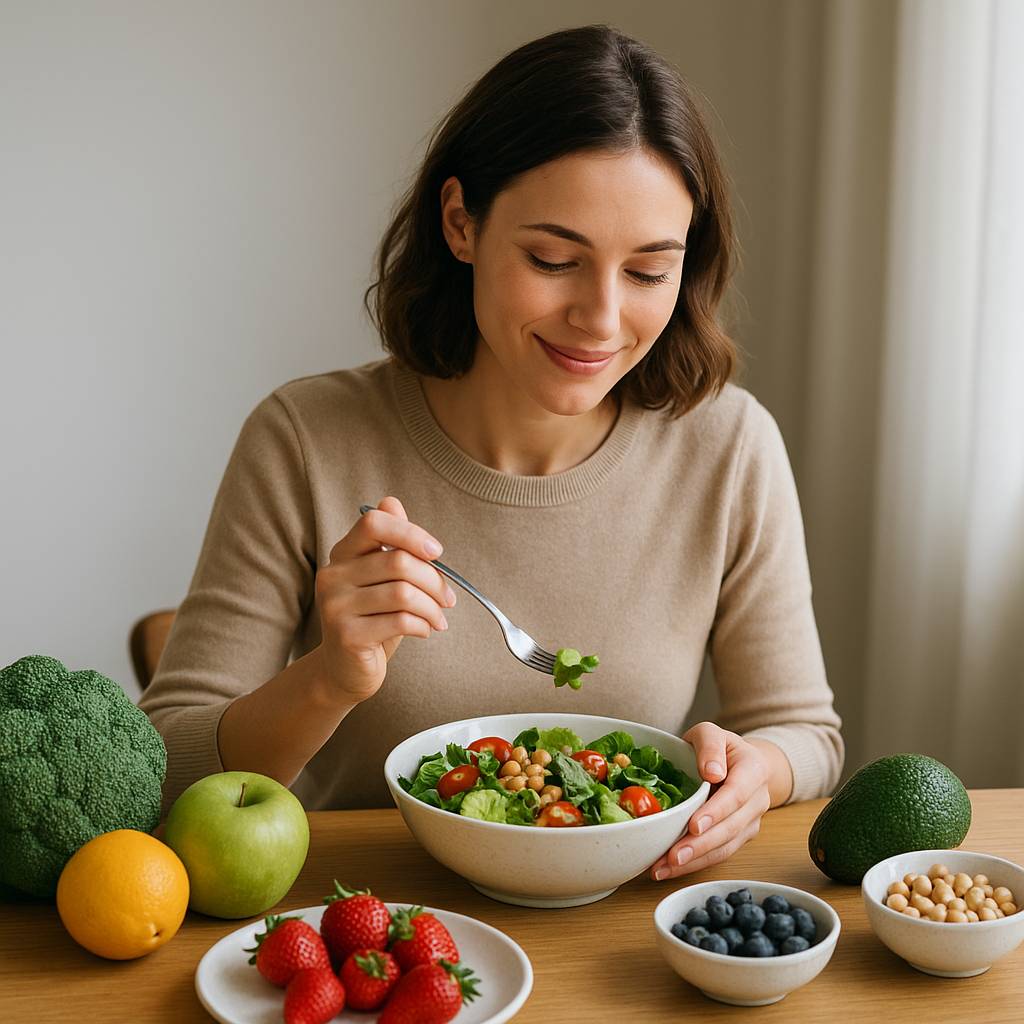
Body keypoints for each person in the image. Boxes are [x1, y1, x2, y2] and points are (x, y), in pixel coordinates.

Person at [139, 23, 842, 883]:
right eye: (554, 259)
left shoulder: (730, 447)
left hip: (618, 942)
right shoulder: (304, 437)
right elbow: (164, 769)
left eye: (649, 272)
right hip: (371, 930)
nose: (602, 317)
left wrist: (753, 775)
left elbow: (806, 732)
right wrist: (329, 676)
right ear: (461, 223)